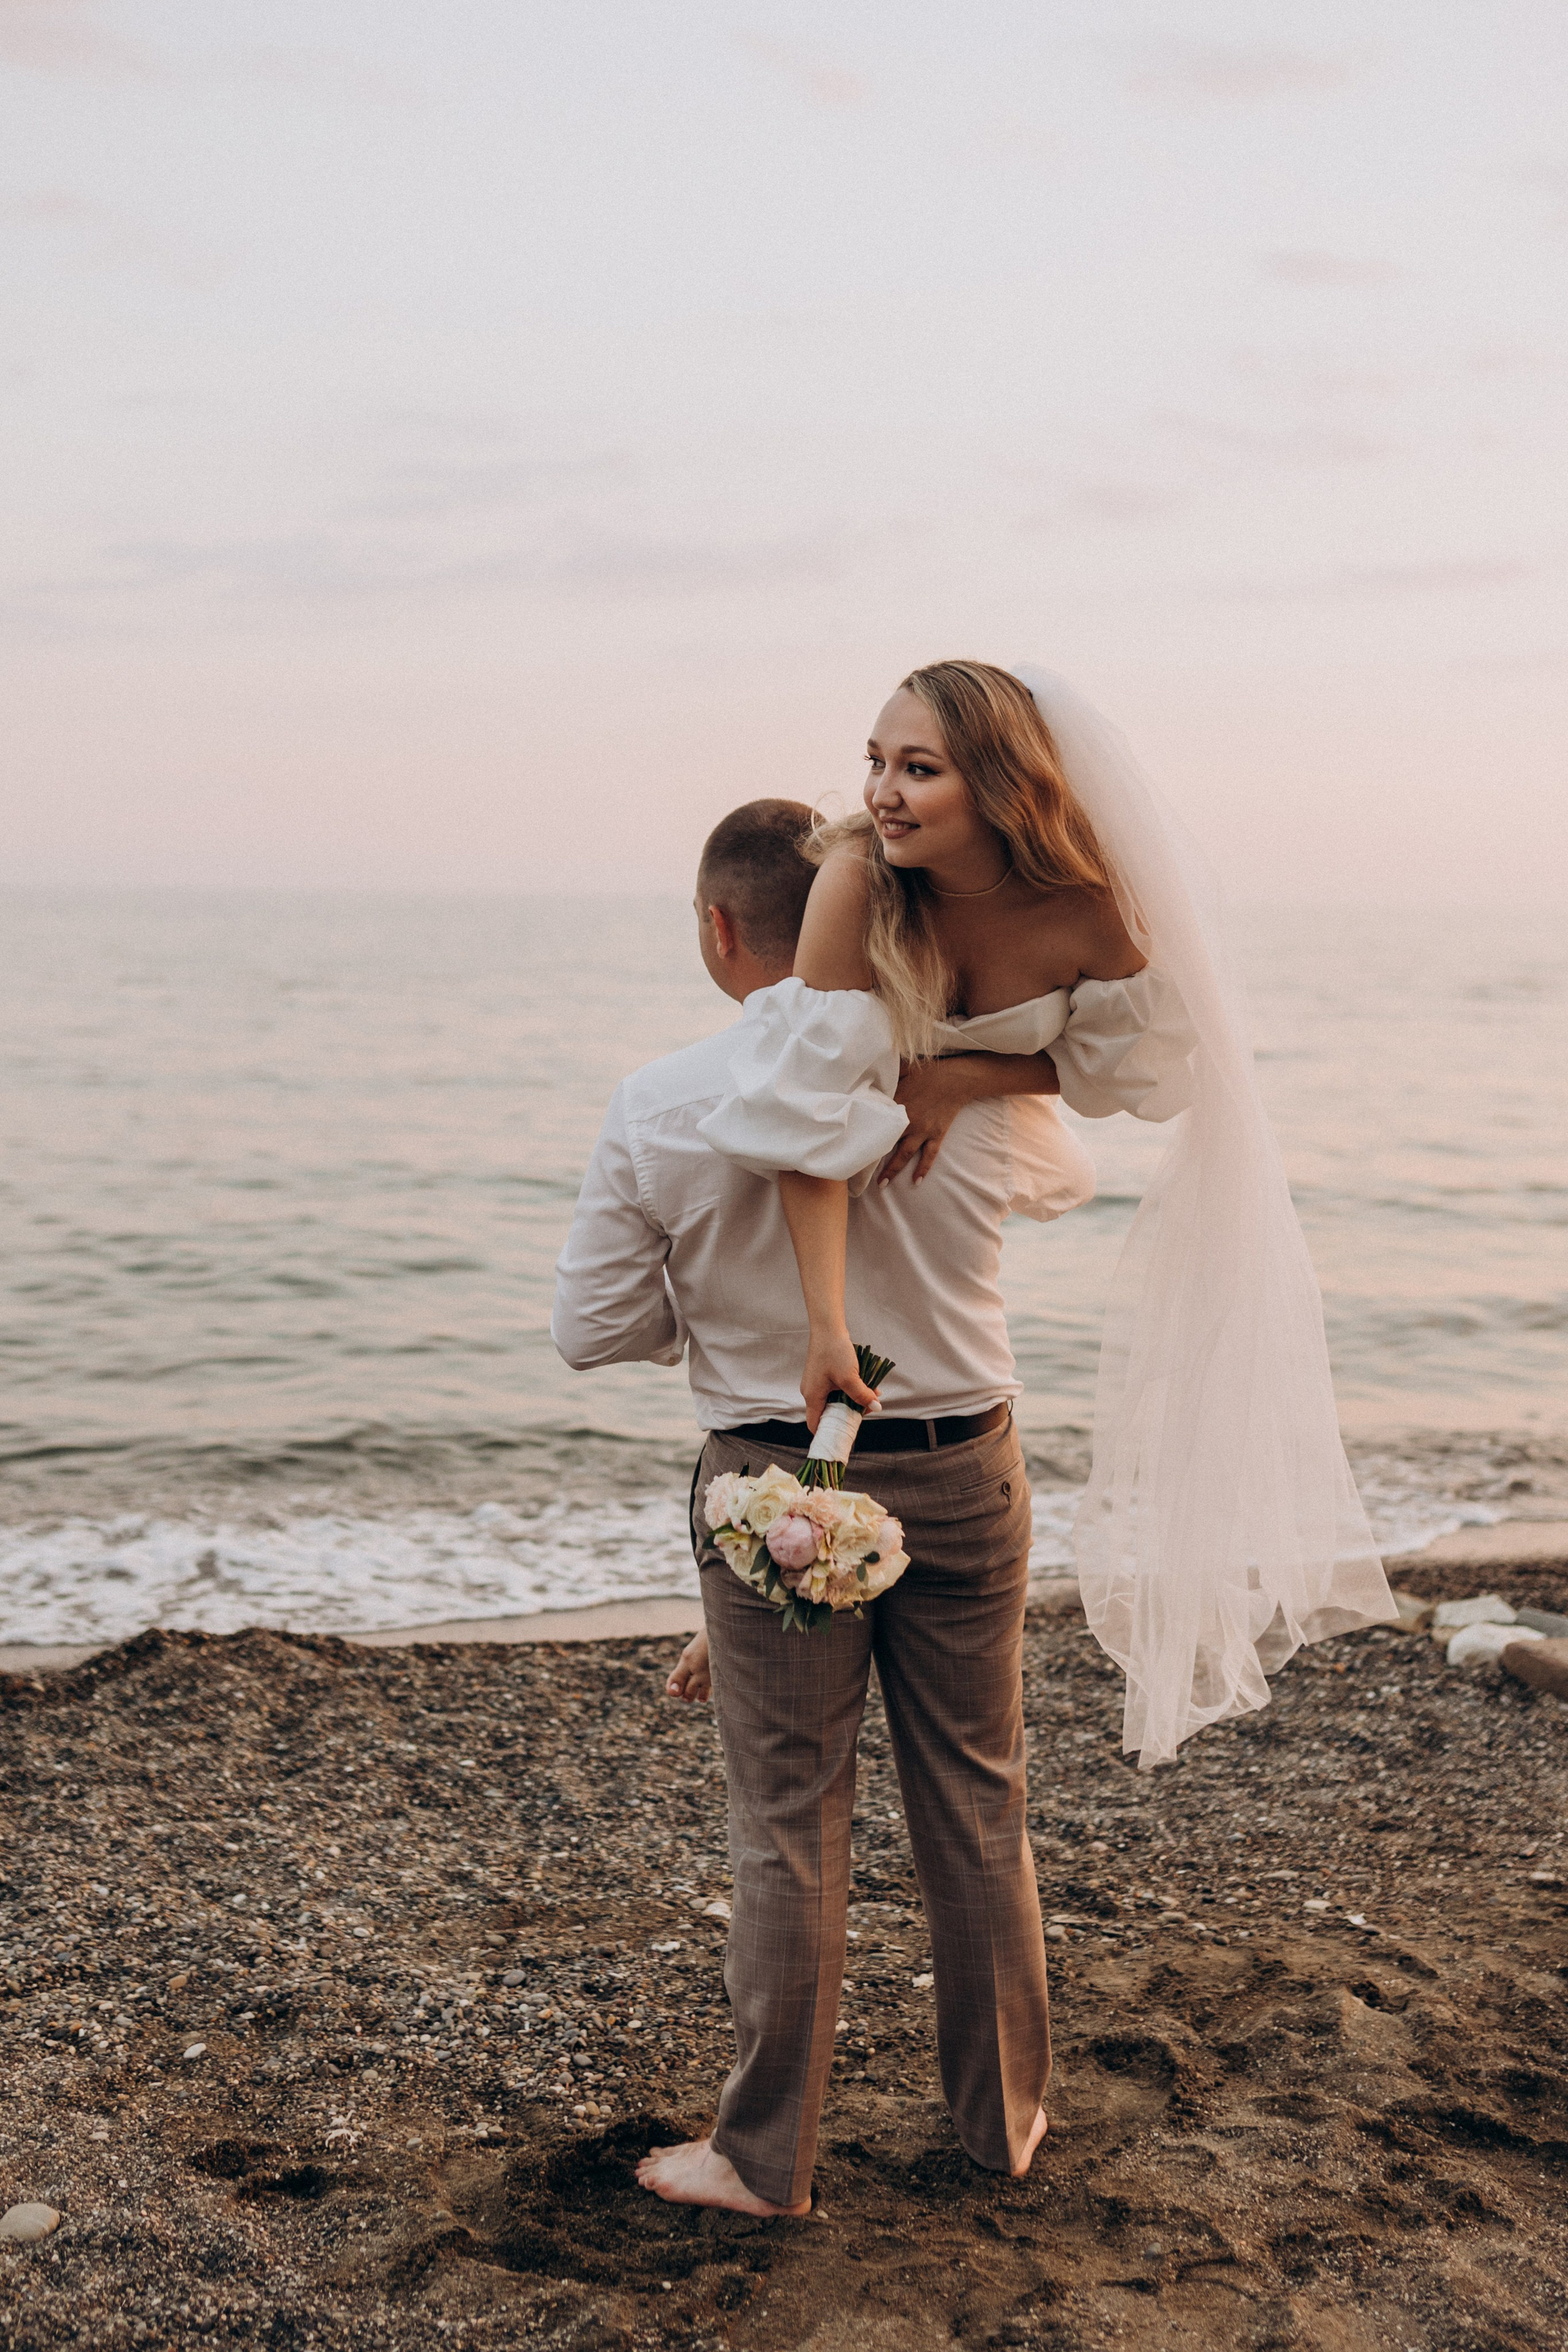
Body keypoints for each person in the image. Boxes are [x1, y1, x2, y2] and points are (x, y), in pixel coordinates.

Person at [698, 662, 1396, 1769]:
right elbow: (806, 1125)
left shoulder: (1092, 904)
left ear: (1001, 787)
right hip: (864, 1157)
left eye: (918, 769)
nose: (883, 792)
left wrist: (970, 1077)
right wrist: (822, 1328)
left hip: (976, 1140)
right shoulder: (854, 886)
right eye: (874, 762)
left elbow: (1144, 1074)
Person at [552, 796, 1096, 2215]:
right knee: (979, 1797)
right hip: (972, 1462)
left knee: (788, 1817)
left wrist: (719, 1311)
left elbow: (592, 1330)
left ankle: (763, 2158)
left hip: (770, 1474)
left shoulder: (663, 1099)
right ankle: (1005, 2126)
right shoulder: (950, 1078)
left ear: (717, 929)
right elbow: (1063, 1182)